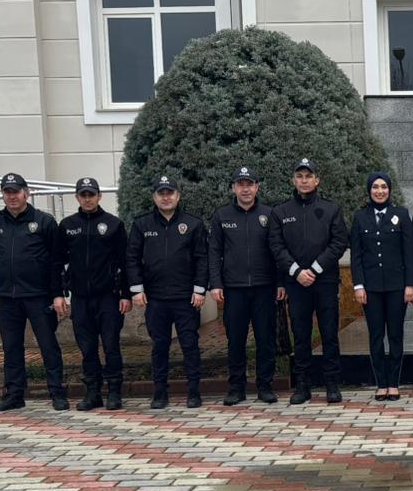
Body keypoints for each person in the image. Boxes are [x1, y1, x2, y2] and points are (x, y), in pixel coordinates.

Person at [270, 158, 349, 405]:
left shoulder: (331, 210)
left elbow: (339, 242)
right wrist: (296, 271)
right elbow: (276, 246)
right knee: (301, 335)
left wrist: (314, 269)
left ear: (317, 180)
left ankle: (332, 384)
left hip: (325, 282)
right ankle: (302, 386)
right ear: (293, 180)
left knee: (329, 333)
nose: (304, 180)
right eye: (300, 176)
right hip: (296, 284)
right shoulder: (281, 212)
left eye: (308, 176)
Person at [0, 172, 67, 412]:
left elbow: (56, 261)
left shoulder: (44, 221)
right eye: (7, 192)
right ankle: (14, 395)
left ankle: (57, 393)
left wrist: (58, 294)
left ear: (26, 193)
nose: (12, 196)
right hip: (8, 298)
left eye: (16, 191)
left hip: (39, 296)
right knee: (11, 348)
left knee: (48, 346)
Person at [127, 174, 208, 409]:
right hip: (156, 298)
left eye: (169, 193)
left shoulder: (193, 224)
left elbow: (202, 259)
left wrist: (199, 290)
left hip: (186, 298)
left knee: (190, 345)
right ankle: (160, 393)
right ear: (154, 197)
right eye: (161, 193)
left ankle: (194, 392)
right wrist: (137, 290)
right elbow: (132, 258)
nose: (165, 197)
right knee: (159, 346)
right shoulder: (142, 225)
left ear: (178, 196)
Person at [209, 165, 282, 405]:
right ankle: (236, 388)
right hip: (234, 289)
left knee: (266, 340)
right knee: (236, 341)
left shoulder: (269, 214)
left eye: (249, 184)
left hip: (264, 287)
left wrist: (280, 282)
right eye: (240, 184)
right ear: (233, 188)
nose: (245, 189)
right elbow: (214, 252)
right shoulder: (222, 216)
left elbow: (278, 251)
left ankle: (265, 386)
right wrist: (216, 283)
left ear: (257, 187)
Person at [59, 177, 129, 412]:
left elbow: (125, 262)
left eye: (91, 194)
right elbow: (57, 262)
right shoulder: (67, 225)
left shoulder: (113, 224)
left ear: (99, 196)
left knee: (111, 345)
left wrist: (125, 294)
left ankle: (114, 392)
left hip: (108, 297)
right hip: (80, 298)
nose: (87, 199)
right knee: (87, 348)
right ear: (77, 197)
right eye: (83, 195)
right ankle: (93, 393)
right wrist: (58, 293)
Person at [351, 173, 413, 402]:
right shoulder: (360, 217)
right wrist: (358, 285)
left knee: (396, 334)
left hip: (397, 287)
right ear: (369, 190)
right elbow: (356, 255)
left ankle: (394, 383)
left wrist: (410, 284)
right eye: (375, 187)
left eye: (384, 187)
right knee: (376, 335)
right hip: (371, 288)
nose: (380, 191)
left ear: (389, 189)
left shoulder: (402, 214)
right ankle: (381, 383)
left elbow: (409, 253)